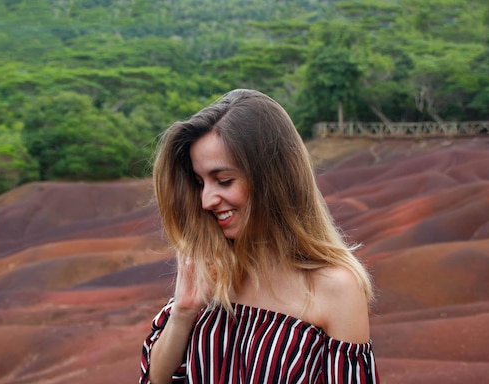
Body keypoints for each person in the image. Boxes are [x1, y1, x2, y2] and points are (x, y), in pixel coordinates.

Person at [139, 89, 379, 383]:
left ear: (273, 179)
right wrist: (183, 311)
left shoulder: (335, 289)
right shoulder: (213, 270)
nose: (206, 200)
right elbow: (155, 379)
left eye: (224, 181)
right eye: (200, 183)